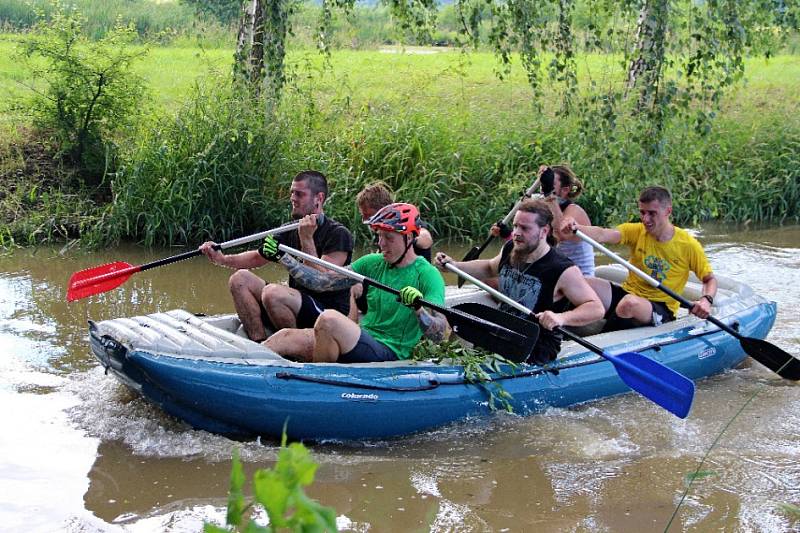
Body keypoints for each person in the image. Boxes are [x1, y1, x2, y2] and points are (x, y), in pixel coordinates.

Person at [261, 202, 449, 363]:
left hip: (392, 353)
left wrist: (419, 309)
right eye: (379, 236)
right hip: (365, 337)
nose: (381, 244)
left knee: (329, 320)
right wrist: (283, 258)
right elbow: (322, 282)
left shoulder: (428, 275)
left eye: (389, 238)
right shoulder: (373, 262)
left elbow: (439, 334)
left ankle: (318, 383)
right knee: (284, 337)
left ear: (409, 238)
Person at [199, 170, 354, 353]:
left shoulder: (338, 234)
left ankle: (294, 350)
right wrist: (222, 258)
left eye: (299, 194)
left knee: (273, 293)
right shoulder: (288, 228)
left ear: (318, 198)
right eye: (292, 192)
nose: (292, 198)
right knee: (240, 279)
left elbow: (320, 280)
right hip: (295, 305)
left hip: (326, 315)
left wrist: (307, 239)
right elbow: (257, 257)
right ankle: (259, 345)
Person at [434, 199, 604, 365]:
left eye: (524, 228)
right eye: (515, 226)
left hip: (534, 345)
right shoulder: (512, 248)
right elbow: (488, 267)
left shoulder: (562, 269)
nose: (516, 233)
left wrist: (561, 318)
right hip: (503, 329)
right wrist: (454, 266)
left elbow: (595, 308)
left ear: (544, 231)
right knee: (461, 327)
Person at [560, 185, 716, 332]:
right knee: (580, 283)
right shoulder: (636, 231)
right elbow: (603, 234)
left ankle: (601, 341)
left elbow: (709, 279)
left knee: (629, 304)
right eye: (642, 212)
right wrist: (576, 228)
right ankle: (558, 328)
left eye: (652, 213)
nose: (645, 219)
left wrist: (706, 300)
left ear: (668, 211)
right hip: (629, 292)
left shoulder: (688, 244)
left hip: (660, 307)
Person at [349, 182, 434, 321]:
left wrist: (405, 239)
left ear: (382, 211)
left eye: (368, 216)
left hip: (410, 292)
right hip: (387, 287)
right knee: (349, 282)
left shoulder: (406, 225)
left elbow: (426, 239)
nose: (365, 221)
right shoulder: (380, 235)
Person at [539, 164, 596, 276]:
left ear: (565, 190)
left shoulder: (575, 211)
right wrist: (508, 235)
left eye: (551, 184)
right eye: (544, 184)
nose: (543, 188)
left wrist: (549, 195)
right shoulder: (544, 207)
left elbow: (561, 234)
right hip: (556, 275)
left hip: (581, 279)